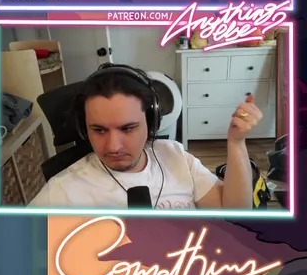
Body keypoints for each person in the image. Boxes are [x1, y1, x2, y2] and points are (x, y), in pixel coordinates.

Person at [28, 63, 262, 210]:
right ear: (84, 128)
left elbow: (234, 214)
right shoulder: (63, 191)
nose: (113, 146)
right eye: (99, 130)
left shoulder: (176, 157)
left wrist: (236, 142)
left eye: (128, 128)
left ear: (151, 124)